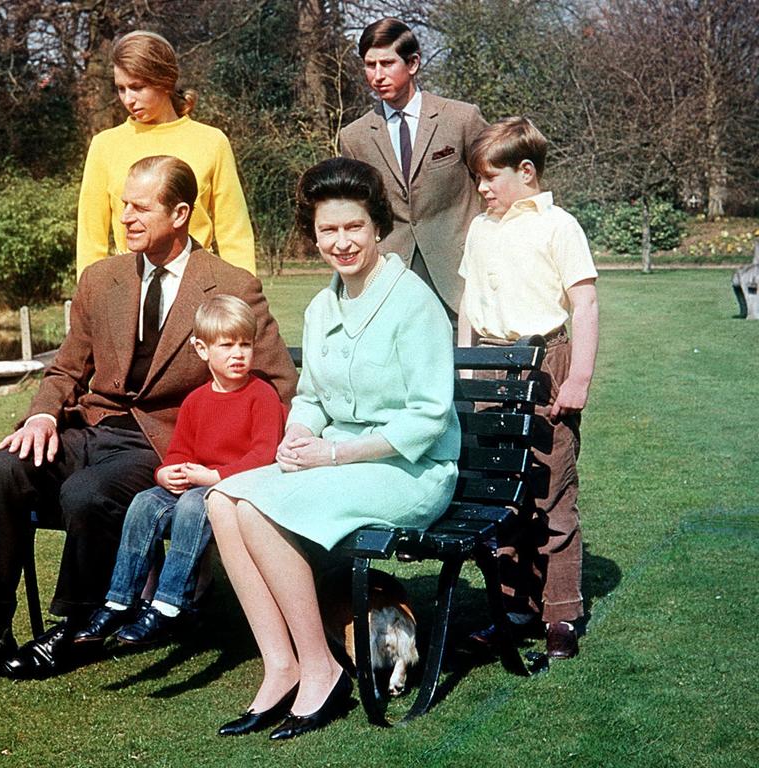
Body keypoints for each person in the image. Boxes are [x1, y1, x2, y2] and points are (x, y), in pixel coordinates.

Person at [0, 155, 297, 697]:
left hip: (167, 442)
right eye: (123, 204)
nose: (124, 216)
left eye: (139, 206)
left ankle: (77, 628)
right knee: (0, 470)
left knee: (88, 493)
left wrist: (219, 462)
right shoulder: (101, 279)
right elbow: (67, 366)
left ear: (179, 213)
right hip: (91, 426)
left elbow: (276, 383)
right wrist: (41, 414)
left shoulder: (230, 284)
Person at [205, 158, 460, 740]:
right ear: (313, 234)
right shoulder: (322, 308)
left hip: (411, 470)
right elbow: (314, 396)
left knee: (260, 510)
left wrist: (335, 456)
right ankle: (282, 664)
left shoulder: (412, 301)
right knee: (224, 499)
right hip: (337, 461)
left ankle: (321, 668)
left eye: (352, 227)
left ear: (377, 227)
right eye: (327, 231)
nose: (341, 243)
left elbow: (427, 418)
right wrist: (299, 434)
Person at [457, 116, 599, 659]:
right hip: (490, 364)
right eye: (477, 179)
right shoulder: (480, 228)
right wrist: (468, 371)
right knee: (502, 494)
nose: (482, 189)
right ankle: (515, 606)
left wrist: (579, 378)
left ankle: (562, 611)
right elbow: (469, 304)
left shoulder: (559, 226)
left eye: (490, 177)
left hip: (545, 362)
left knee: (550, 492)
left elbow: (584, 303)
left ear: (527, 171)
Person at [71, 295, 285, 648]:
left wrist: (212, 478)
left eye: (245, 344)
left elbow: (263, 457)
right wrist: (166, 473)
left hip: (237, 490)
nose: (238, 354)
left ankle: (170, 604)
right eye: (227, 345)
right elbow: (178, 452)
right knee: (145, 502)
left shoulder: (261, 396)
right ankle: (121, 599)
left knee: (191, 505)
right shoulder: (196, 401)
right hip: (197, 483)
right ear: (202, 349)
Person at [338, 17, 487, 322]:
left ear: (413, 63)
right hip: (392, 280)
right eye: (370, 65)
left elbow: (495, 185)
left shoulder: (461, 119)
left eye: (387, 63)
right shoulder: (354, 138)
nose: (377, 75)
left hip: (462, 276)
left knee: (469, 369)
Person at [76, 30, 255, 279]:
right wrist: (91, 300)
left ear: (165, 81)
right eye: (121, 88)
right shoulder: (105, 145)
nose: (128, 99)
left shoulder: (212, 141)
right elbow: (90, 239)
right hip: (131, 285)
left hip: (198, 283)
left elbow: (234, 233)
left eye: (137, 87)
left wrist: (242, 298)